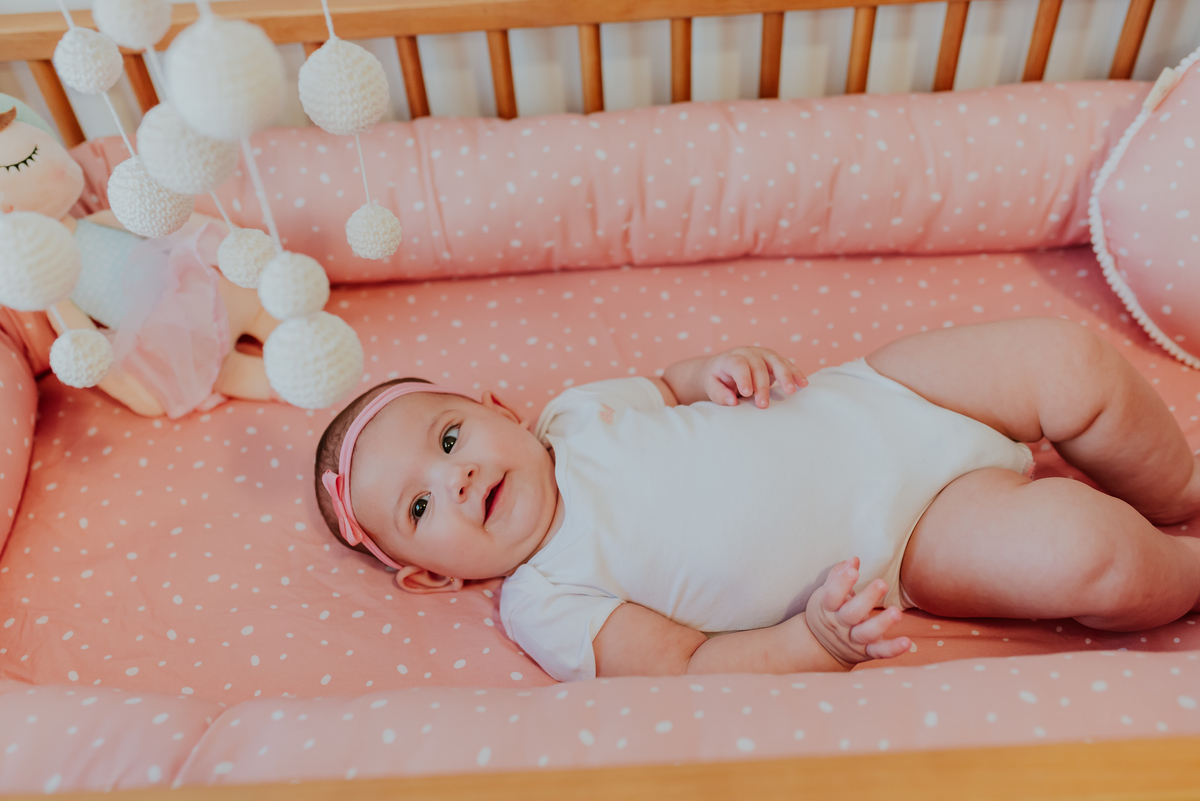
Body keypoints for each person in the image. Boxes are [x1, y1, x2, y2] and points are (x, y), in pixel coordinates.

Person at [314, 316, 1200, 682]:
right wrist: (808, 639)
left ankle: (1183, 484)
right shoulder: (545, 599)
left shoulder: (575, 414)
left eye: (448, 437)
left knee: (1067, 356)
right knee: (1090, 557)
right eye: (420, 509)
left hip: (881, 393)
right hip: (912, 534)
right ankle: (1188, 566)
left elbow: (670, 384)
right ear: (431, 579)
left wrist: (719, 372)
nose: (455, 478)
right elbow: (689, 668)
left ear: (494, 410)